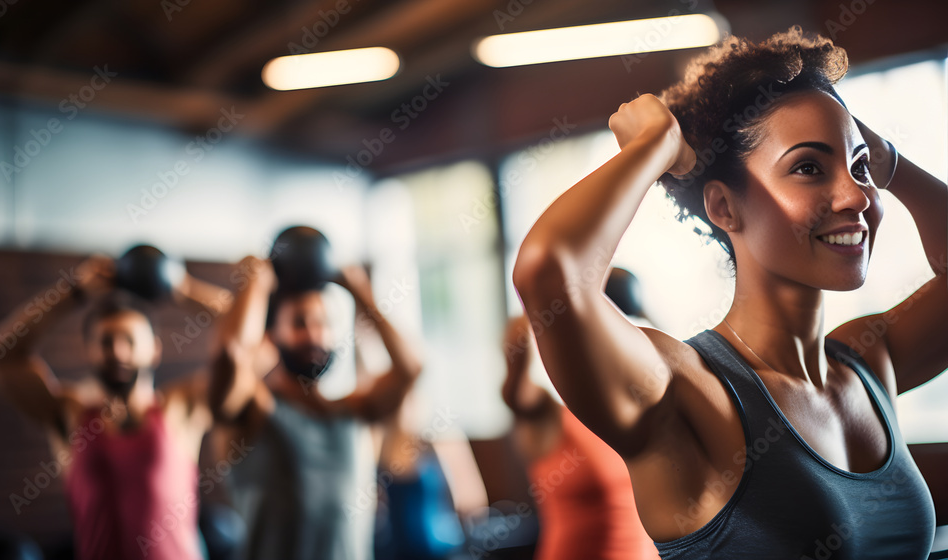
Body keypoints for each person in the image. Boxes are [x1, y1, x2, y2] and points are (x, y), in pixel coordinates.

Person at [511, 28, 944, 559]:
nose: (857, 194)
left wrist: (888, 160)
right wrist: (653, 148)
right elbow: (551, 274)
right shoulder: (683, 391)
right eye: (809, 167)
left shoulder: (869, 360)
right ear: (723, 208)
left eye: (859, 169)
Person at [0, 254, 233, 560]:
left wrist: (181, 288)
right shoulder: (70, 415)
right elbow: (1, 358)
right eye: (106, 341)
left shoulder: (182, 409)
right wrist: (72, 292)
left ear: (155, 349)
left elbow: (252, 346)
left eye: (129, 340)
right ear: (89, 350)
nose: (117, 351)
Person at [209, 256, 423, 560]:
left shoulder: (354, 410)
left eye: (323, 323)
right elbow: (231, 354)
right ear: (272, 336)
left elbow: (410, 368)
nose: (314, 335)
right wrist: (257, 284)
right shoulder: (254, 407)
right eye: (299, 323)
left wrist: (358, 289)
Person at [502, 268, 660, 560]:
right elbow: (516, 384)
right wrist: (561, 294)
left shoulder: (640, 411)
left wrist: (627, 305)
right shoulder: (549, 415)